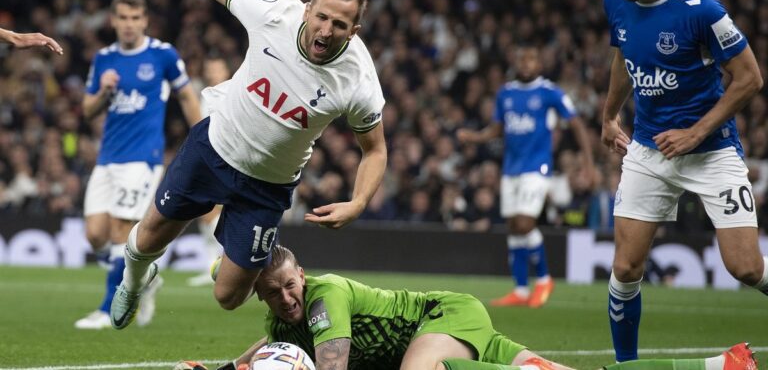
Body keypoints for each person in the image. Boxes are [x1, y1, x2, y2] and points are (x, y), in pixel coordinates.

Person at [91, 0, 387, 329]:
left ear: (354, 30)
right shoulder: (274, 14)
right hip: (214, 148)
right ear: (307, 10)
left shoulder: (358, 79)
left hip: (267, 187)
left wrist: (358, 203)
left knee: (228, 297)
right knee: (146, 240)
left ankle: (230, 262)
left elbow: (375, 150)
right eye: (321, 17)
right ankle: (134, 282)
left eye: (339, 24)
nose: (325, 30)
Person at [600, 0, 768, 362]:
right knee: (625, 267)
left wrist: (696, 132)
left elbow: (750, 78)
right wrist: (609, 115)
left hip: (711, 150)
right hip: (649, 150)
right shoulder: (615, 1)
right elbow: (623, 56)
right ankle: (626, 366)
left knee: (746, 267)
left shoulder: (702, 9)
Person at [182, 245, 758, 370]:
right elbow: (271, 349)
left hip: (443, 317)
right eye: (273, 293)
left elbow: (330, 363)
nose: (286, 298)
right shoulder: (281, 318)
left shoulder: (325, 293)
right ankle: (721, 365)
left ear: (301, 275)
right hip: (446, 331)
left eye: (289, 285)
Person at [75, 0, 202, 329]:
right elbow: (87, 110)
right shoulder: (104, 58)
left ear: (145, 20)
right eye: (123, 18)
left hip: (142, 158)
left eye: (135, 18)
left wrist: (203, 139)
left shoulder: (162, 54)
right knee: (95, 234)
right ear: (113, 21)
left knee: (121, 229)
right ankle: (142, 278)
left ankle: (108, 308)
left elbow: (186, 95)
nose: (129, 24)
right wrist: (103, 91)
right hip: (107, 157)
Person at [457, 45, 595, 308]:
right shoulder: (505, 93)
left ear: (539, 64)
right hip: (511, 168)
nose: (526, 64)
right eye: (522, 59)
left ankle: (544, 279)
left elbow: (576, 124)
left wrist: (588, 164)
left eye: (531, 59)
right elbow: (497, 129)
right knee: (513, 226)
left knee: (524, 222)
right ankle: (520, 290)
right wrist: (474, 137)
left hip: (537, 167)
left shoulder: (550, 92)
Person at [187, 57, 229, 287]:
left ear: (226, 71)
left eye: (217, 69)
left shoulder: (231, 94)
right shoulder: (205, 97)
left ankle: (229, 263)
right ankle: (211, 267)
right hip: (204, 160)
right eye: (209, 69)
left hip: (224, 161)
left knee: (214, 214)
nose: (213, 73)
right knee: (205, 215)